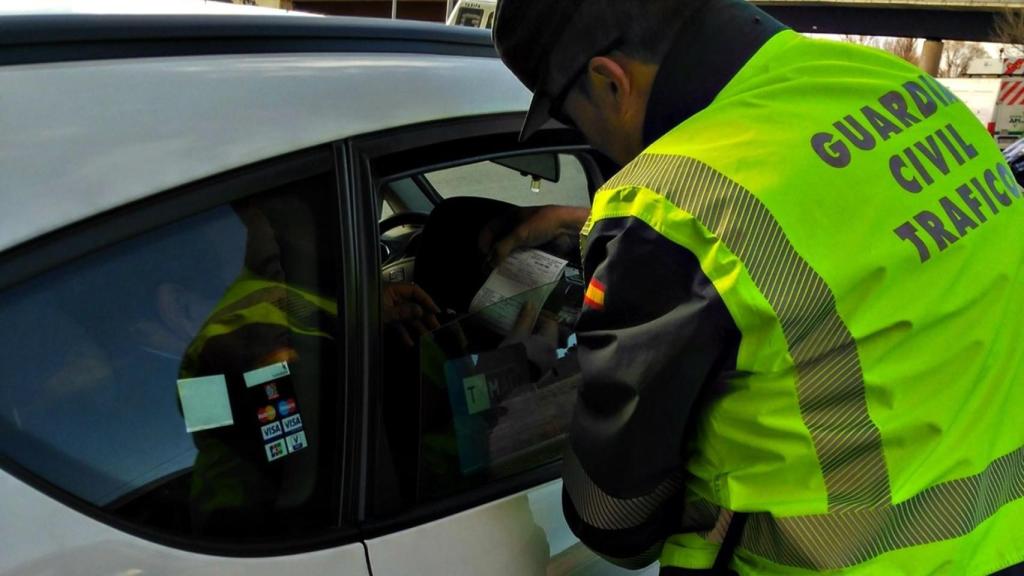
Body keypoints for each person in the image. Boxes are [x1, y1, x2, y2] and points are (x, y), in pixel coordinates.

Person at [488, 0, 1024, 574]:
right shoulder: (904, 90)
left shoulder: (669, 212)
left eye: (570, 119)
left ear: (609, 81)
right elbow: (841, 232)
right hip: (1001, 542)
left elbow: (615, 522)